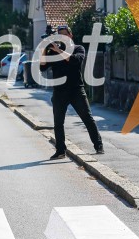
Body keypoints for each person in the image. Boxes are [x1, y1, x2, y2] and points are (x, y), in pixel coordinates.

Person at [39, 25, 103, 160]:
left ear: (70, 35)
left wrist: (59, 50)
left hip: (76, 90)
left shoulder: (78, 48)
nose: (63, 37)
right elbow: (43, 67)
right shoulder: (53, 52)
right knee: (58, 123)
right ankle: (60, 151)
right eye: (60, 35)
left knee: (87, 118)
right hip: (59, 91)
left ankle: (98, 145)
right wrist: (44, 50)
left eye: (65, 34)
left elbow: (75, 60)